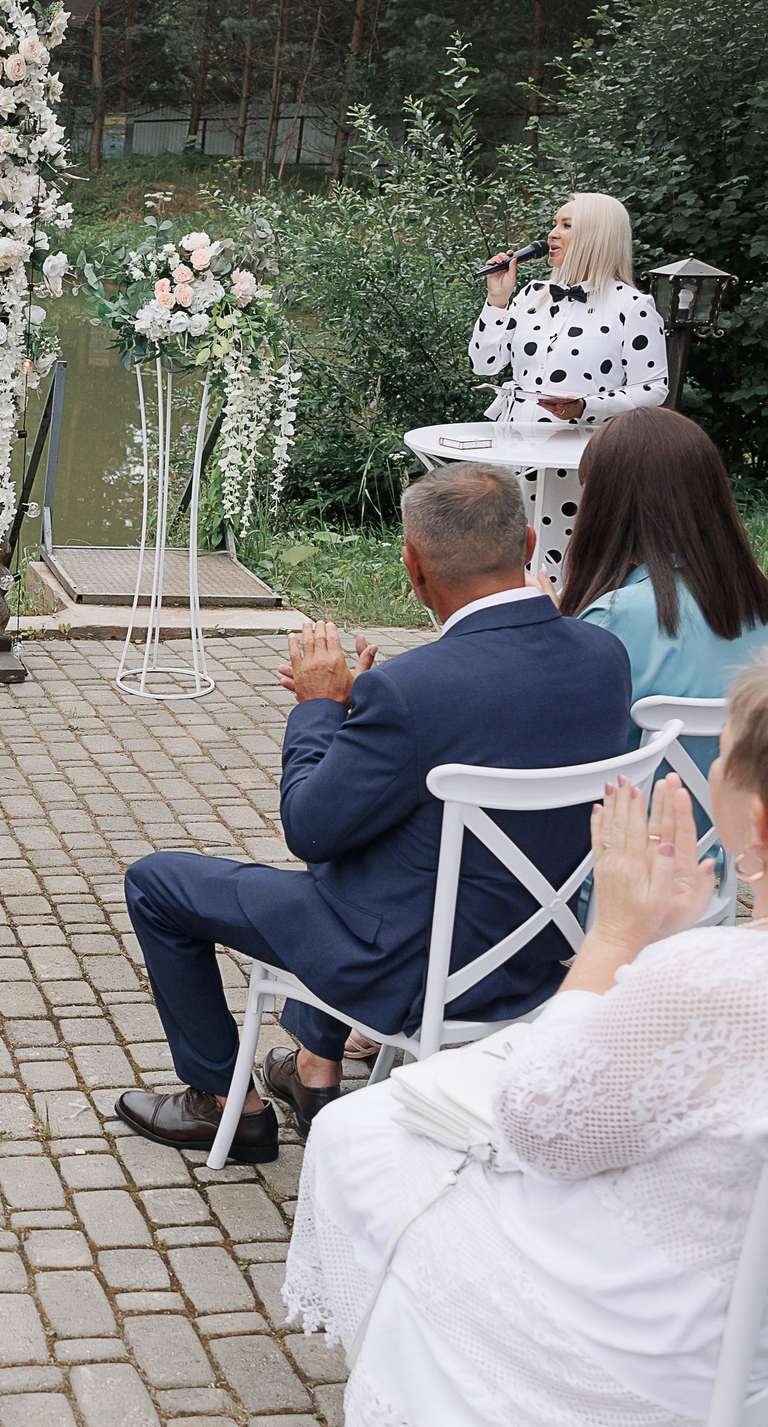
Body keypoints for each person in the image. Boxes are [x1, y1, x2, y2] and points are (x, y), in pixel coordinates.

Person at [285, 652, 768, 1427]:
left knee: (360, 1134)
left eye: (726, 757)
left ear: (763, 818)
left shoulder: (726, 980)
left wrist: (618, 934)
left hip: (655, 1371)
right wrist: (668, 936)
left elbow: (539, 1129)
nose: (715, 770)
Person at [113, 462, 634, 1163]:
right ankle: (311, 1066)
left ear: (413, 568)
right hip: (539, 956)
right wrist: (365, 728)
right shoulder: (604, 657)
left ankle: (220, 1105)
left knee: (157, 881)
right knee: (377, 838)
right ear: (533, 541)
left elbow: (308, 826)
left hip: (411, 968)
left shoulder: (410, 690)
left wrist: (322, 710)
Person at [557, 407, 768, 775]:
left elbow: (565, 741)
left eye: (588, 493)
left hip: (630, 824)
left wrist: (549, 638)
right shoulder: (753, 600)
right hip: (730, 823)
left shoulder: (612, 616)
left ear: (608, 505)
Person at [470, 192, 669, 584]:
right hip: (516, 443)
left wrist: (585, 406)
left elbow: (654, 389)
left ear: (596, 235)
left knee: (569, 553)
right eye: (554, 223)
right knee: (507, 547)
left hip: (583, 451)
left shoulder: (632, 305)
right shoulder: (530, 295)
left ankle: (569, 630)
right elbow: (484, 364)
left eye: (566, 225)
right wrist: (497, 298)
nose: (551, 234)